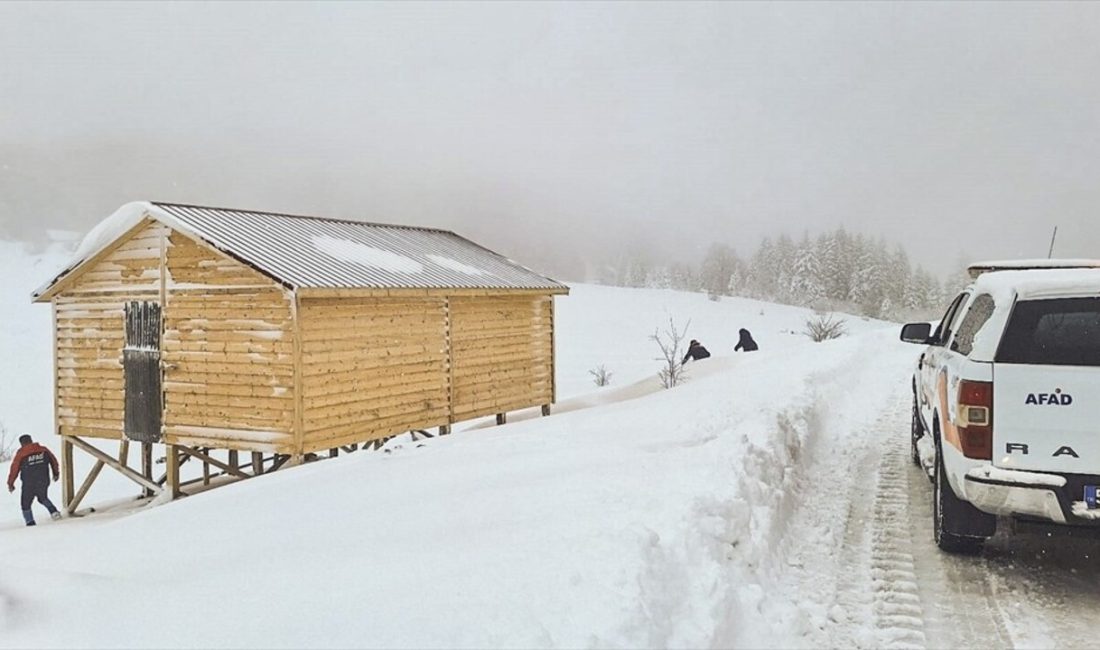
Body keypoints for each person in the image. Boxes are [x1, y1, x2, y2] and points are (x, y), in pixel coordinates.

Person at [6, 434, 62, 526]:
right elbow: (53, 461)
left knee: (25, 503)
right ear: (31, 440)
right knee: (43, 497)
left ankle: (30, 522)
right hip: (43, 480)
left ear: (21, 443)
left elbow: (14, 469)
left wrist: (10, 483)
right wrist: (56, 473)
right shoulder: (44, 450)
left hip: (29, 483)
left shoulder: (21, 454)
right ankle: (54, 512)